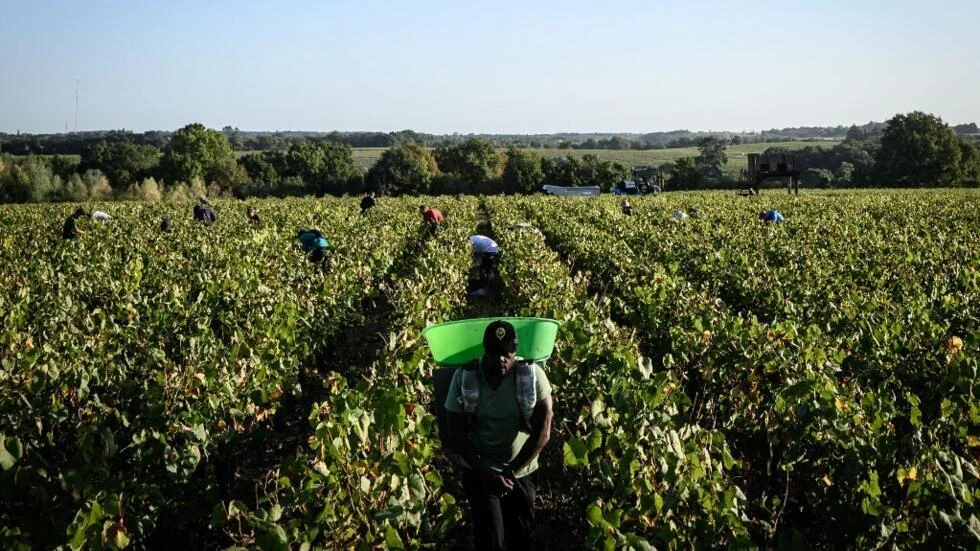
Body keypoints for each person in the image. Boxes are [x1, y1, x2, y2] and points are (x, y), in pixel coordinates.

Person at [445, 320, 553, 551]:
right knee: (490, 540)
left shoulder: (531, 377)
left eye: (507, 353)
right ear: (485, 352)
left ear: (515, 351)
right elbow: (455, 433)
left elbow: (543, 431)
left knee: (522, 539)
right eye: (494, 354)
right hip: (479, 471)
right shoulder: (466, 378)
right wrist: (487, 473)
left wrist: (510, 470)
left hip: (521, 470)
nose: (501, 359)